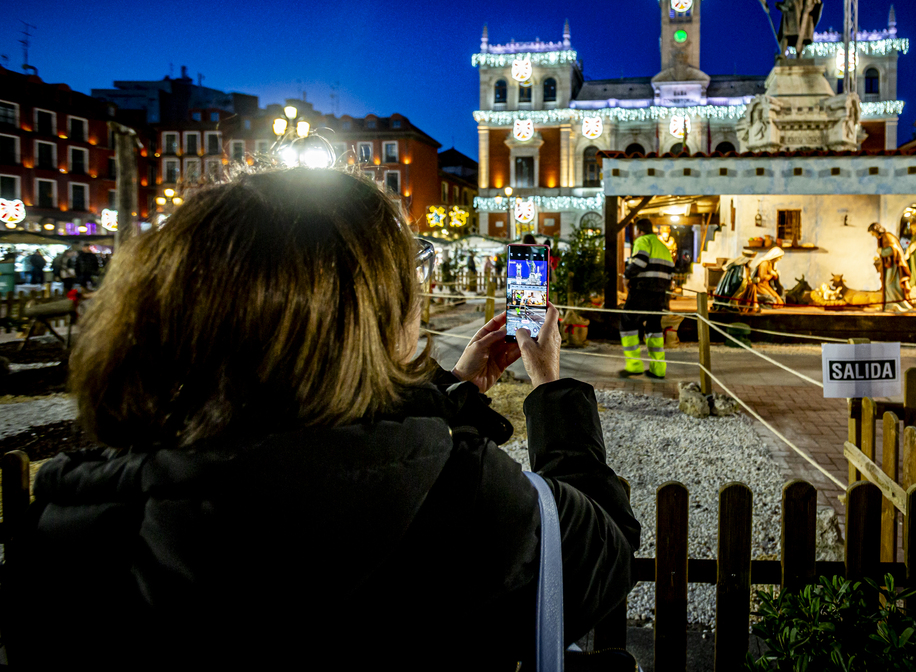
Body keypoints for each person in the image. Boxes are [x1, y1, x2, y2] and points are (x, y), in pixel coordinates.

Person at [1, 168, 640, 668]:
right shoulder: (460, 503)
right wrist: (551, 386)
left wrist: (459, 388)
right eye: (405, 294)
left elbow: (336, 440)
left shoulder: (67, 528)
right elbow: (599, 552)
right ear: (365, 324)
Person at [620, 217, 675, 379]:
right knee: (654, 328)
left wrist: (626, 276)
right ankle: (658, 369)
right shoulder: (663, 247)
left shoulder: (643, 241)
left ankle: (634, 365)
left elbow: (640, 261)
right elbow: (671, 274)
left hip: (642, 291)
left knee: (628, 323)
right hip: (659, 295)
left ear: (639, 231)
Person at [868, 222, 912, 312]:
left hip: (895, 265)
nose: (873, 235)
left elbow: (893, 249)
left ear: (876, 230)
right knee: (887, 284)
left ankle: (900, 304)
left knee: (890, 283)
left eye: (873, 233)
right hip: (889, 265)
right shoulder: (882, 238)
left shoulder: (887, 236)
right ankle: (889, 304)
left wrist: (882, 251)